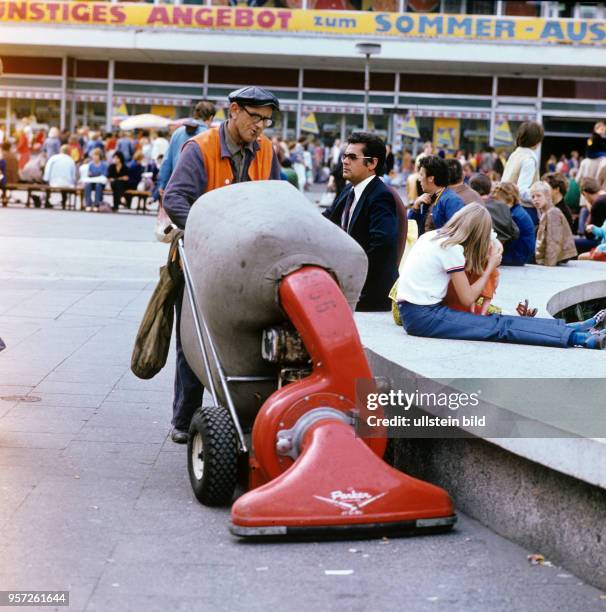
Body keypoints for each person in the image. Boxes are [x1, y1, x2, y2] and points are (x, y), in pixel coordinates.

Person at [163, 85, 281, 443]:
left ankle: (246, 414)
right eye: (254, 117)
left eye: (266, 120)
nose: (260, 126)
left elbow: (277, 196)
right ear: (233, 110)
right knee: (194, 340)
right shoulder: (200, 149)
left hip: (248, 264)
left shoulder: (267, 150)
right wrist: (213, 231)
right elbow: (175, 197)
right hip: (202, 260)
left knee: (248, 339)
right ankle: (184, 420)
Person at [396, 203, 606, 350]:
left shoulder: (433, 237)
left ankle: (570, 328)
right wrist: (491, 266)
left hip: (416, 311)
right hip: (422, 316)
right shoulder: (450, 249)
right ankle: (579, 338)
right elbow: (467, 298)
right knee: (499, 328)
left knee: (498, 321)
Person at [323, 132, 399, 312]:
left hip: (369, 294)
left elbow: (383, 245)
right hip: (347, 285)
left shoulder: (381, 196)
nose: (345, 161)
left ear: (372, 163)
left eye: (352, 157)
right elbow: (325, 220)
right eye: (344, 156)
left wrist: (352, 278)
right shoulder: (349, 189)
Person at [157, 100, 216, 195]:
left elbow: (166, 162)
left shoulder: (177, 132)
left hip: (175, 187)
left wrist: (162, 185)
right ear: (211, 117)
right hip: (198, 189)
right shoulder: (210, 135)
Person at [408, 155, 464, 234]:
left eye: (421, 175)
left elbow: (456, 233)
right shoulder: (427, 198)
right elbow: (411, 230)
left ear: (431, 178)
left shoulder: (452, 200)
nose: (419, 179)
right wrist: (415, 207)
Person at [531, 181, 577, 266]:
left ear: (548, 196)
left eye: (538, 196)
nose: (535, 199)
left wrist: (549, 264)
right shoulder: (544, 211)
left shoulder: (552, 213)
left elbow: (554, 241)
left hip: (557, 257)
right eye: (533, 197)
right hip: (547, 254)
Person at [490, 181, 535, 266]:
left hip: (518, 255)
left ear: (510, 201)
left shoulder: (515, 216)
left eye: (499, 203)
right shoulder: (515, 210)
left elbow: (508, 239)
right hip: (520, 253)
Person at [501, 121, 544, 206]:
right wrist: (540, 198)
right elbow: (522, 191)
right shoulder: (529, 160)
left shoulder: (515, 154)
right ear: (537, 140)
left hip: (506, 204)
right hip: (523, 208)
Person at [469, 174, 520, 244]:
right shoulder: (502, 205)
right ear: (490, 188)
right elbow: (515, 232)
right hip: (503, 246)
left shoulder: (474, 209)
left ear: (472, 190)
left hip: (485, 248)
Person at [576, 177, 606, 254]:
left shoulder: (598, 203)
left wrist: (590, 208)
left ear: (585, 193)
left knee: (573, 243)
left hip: (602, 244)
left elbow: (589, 234)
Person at [42, 144, 77, 209]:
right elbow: (73, 175)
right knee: (65, 185)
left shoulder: (53, 158)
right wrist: (73, 183)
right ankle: (64, 202)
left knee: (49, 185)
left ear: (60, 150)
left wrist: (46, 179)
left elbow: (47, 170)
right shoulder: (71, 160)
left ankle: (47, 201)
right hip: (67, 183)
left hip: (53, 182)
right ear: (69, 151)